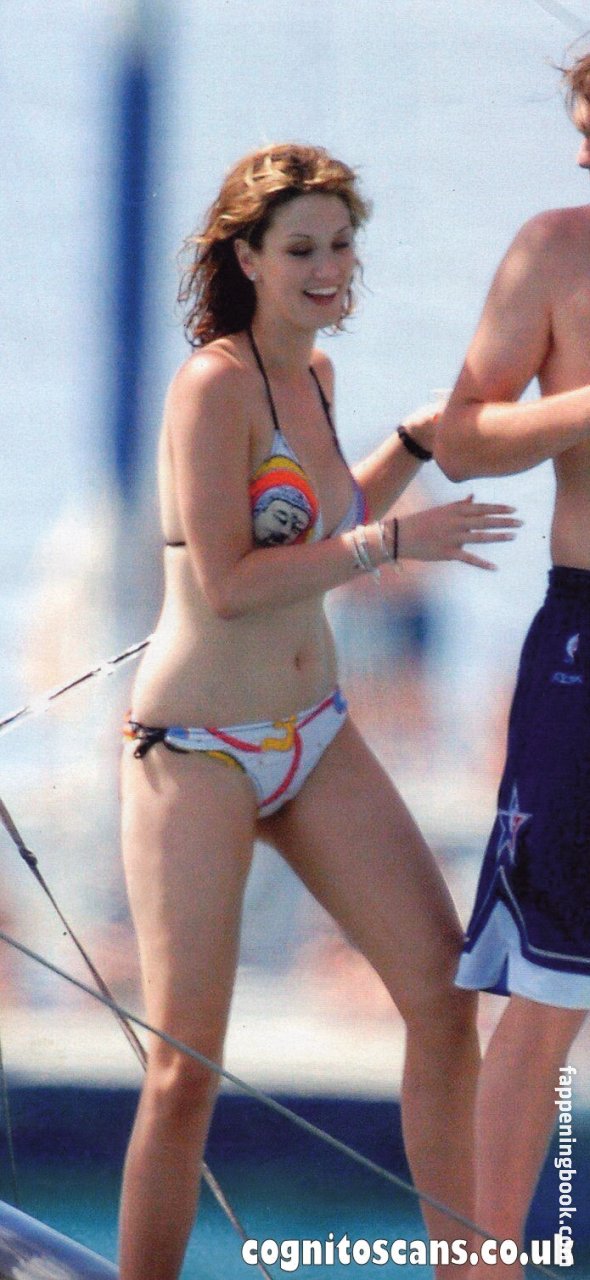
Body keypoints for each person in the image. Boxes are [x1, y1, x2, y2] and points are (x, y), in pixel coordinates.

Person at [118, 142, 519, 1280]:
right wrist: (392, 542)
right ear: (246, 258)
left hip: (314, 731)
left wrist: (410, 445)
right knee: (184, 1066)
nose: (328, 267)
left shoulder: (317, 378)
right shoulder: (212, 386)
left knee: (443, 999)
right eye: (300, 248)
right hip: (197, 748)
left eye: (341, 244)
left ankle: (465, 1269)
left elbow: (323, 519)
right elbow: (230, 581)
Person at [434, 53, 590, 1280]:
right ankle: (480, 1269)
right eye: (580, 132)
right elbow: (462, 436)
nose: (581, 155)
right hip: (584, 638)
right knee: (542, 995)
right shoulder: (553, 249)